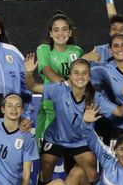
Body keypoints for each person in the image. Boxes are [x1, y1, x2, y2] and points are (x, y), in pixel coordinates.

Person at [24, 57, 123, 185]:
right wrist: (29, 73)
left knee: (92, 173)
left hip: (81, 142)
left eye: (84, 73)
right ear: (69, 76)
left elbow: (120, 112)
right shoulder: (59, 89)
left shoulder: (96, 98)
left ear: (89, 77)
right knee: (45, 169)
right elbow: (33, 86)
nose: (80, 76)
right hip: (55, 139)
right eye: (76, 73)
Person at [32, 13, 84, 144]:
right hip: (51, 106)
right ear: (50, 33)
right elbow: (47, 71)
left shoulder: (77, 51)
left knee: (71, 147)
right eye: (56, 30)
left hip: (72, 107)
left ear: (70, 32)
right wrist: (66, 85)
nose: (60, 33)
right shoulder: (44, 49)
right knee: (47, 149)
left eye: (64, 29)